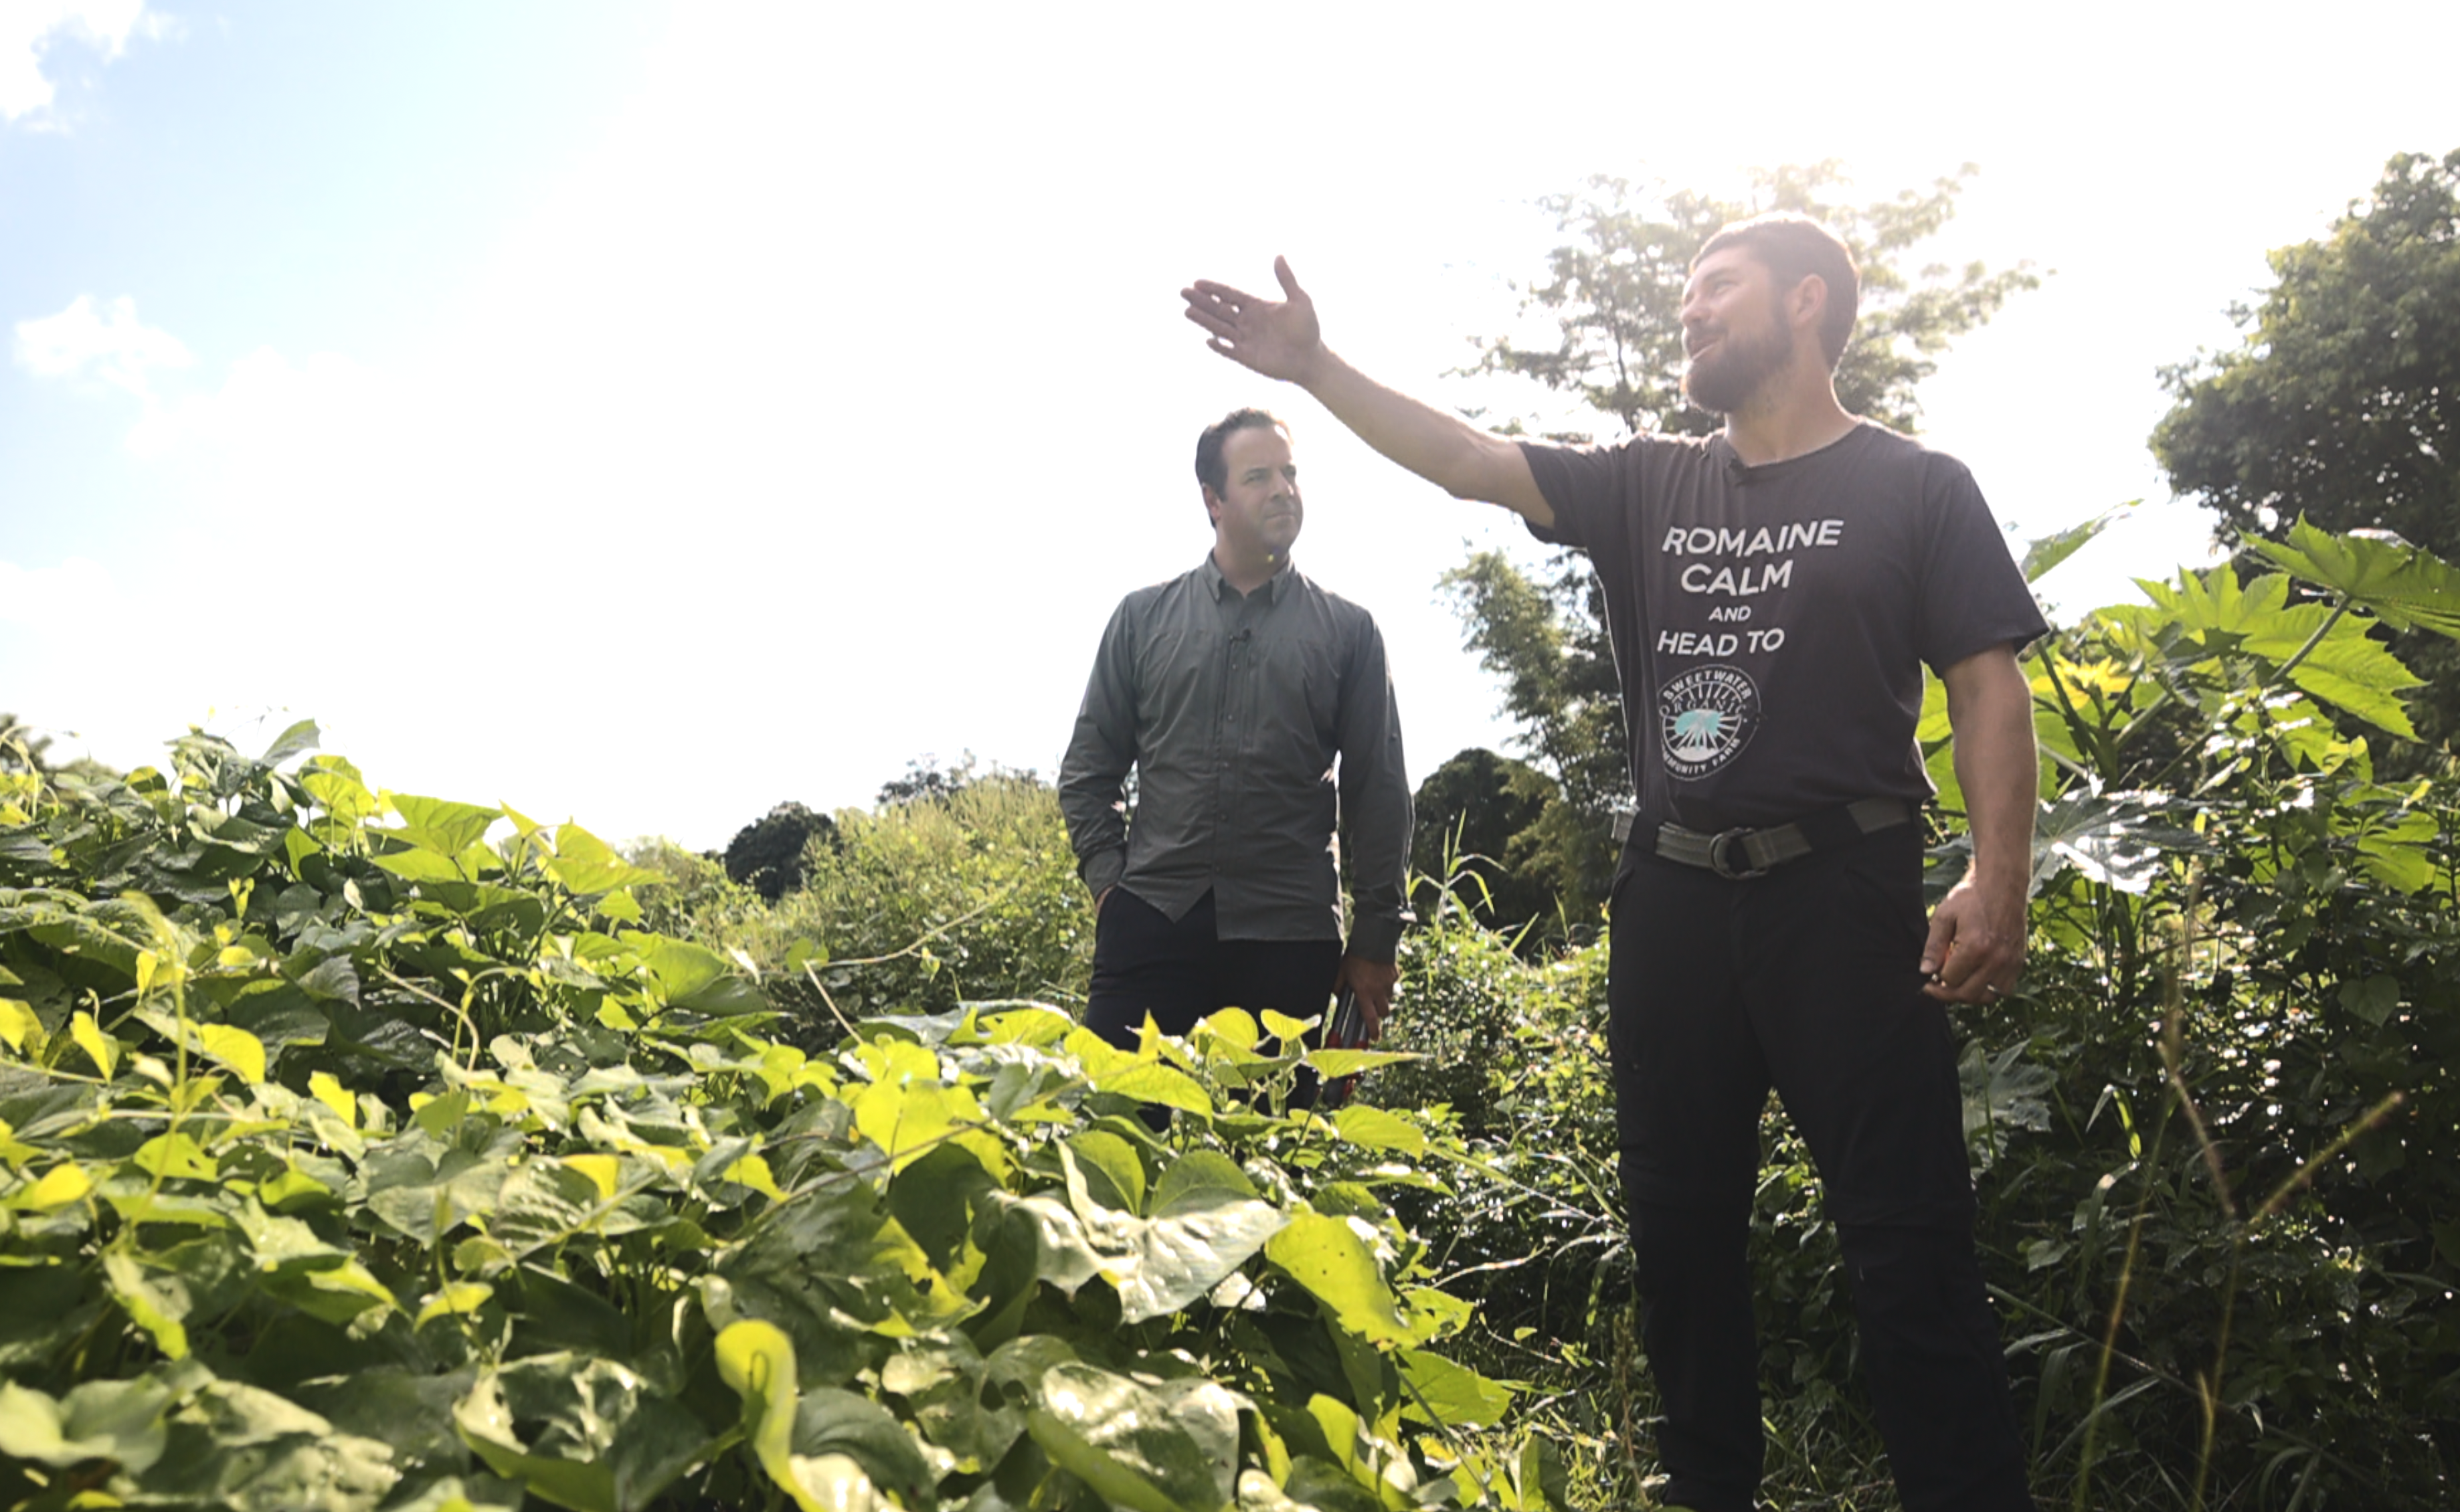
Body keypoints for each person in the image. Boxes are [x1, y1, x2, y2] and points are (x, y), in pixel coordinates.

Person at [1181, 218, 2042, 1512]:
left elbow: (1987, 686)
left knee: (1906, 1240)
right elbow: (1469, 459)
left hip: (1847, 894)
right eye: (1685, 292)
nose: (1690, 310)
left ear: (1806, 302)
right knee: (1682, 1241)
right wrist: (1318, 369)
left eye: (1718, 289)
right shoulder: (1648, 482)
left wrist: (1999, 872)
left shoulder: (1915, 486)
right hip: (1676, 901)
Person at [1057, 408, 1413, 1103]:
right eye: (1258, 476)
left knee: (1268, 1173)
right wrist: (1110, 886)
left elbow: (1377, 793)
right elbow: (1087, 771)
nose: (1283, 489)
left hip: (1290, 941)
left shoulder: (1349, 632)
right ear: (1212, 500)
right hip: (1151, 923)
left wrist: (1374, 945)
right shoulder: (1142, 620)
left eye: (1290, 472)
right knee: (1114, 1141)